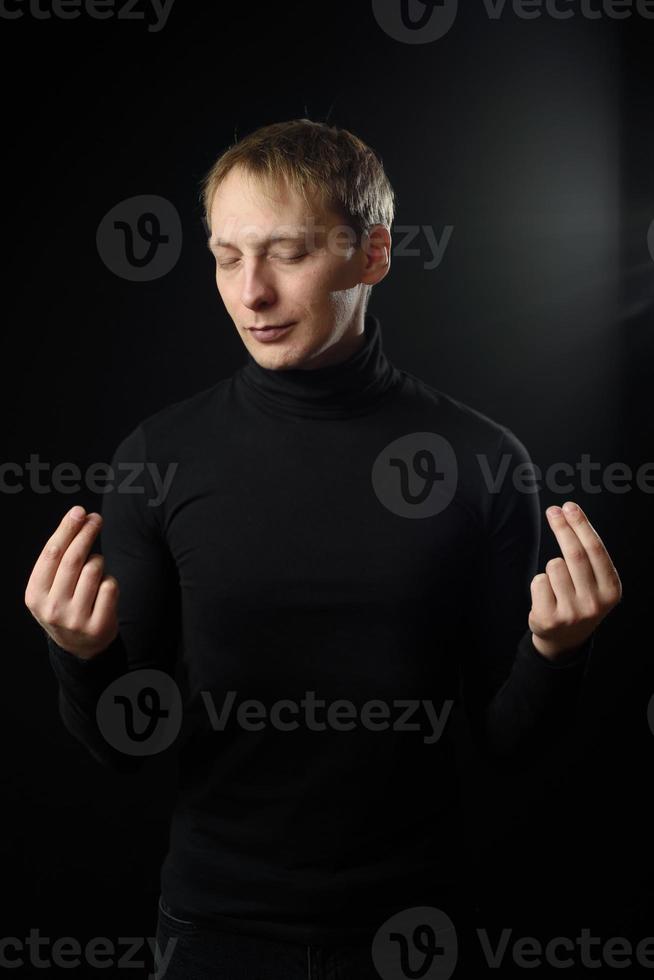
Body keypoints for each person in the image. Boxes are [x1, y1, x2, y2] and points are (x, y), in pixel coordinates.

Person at [24, 118, 622, 980]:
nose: (251, 293)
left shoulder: (483, 461)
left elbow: (509, 747)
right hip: (214, 931)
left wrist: (557, 653)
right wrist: (83, 658)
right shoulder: (159, 457)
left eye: (287, 254)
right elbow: (124, 747)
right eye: (228, 257)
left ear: (372, 254)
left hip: (416, 930)